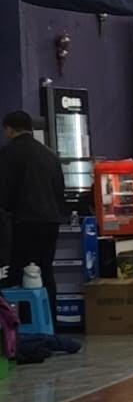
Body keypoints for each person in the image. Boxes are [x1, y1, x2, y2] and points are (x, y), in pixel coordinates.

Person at [0, 111, 66, 300]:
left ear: (9, 129)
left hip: (23, 222)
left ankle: (21, 315)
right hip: (50, 222)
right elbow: (59, 190)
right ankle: (49, 314)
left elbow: (4, 190)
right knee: (45, 270)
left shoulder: (7, 153)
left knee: (18, 273)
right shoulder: (50, 155)